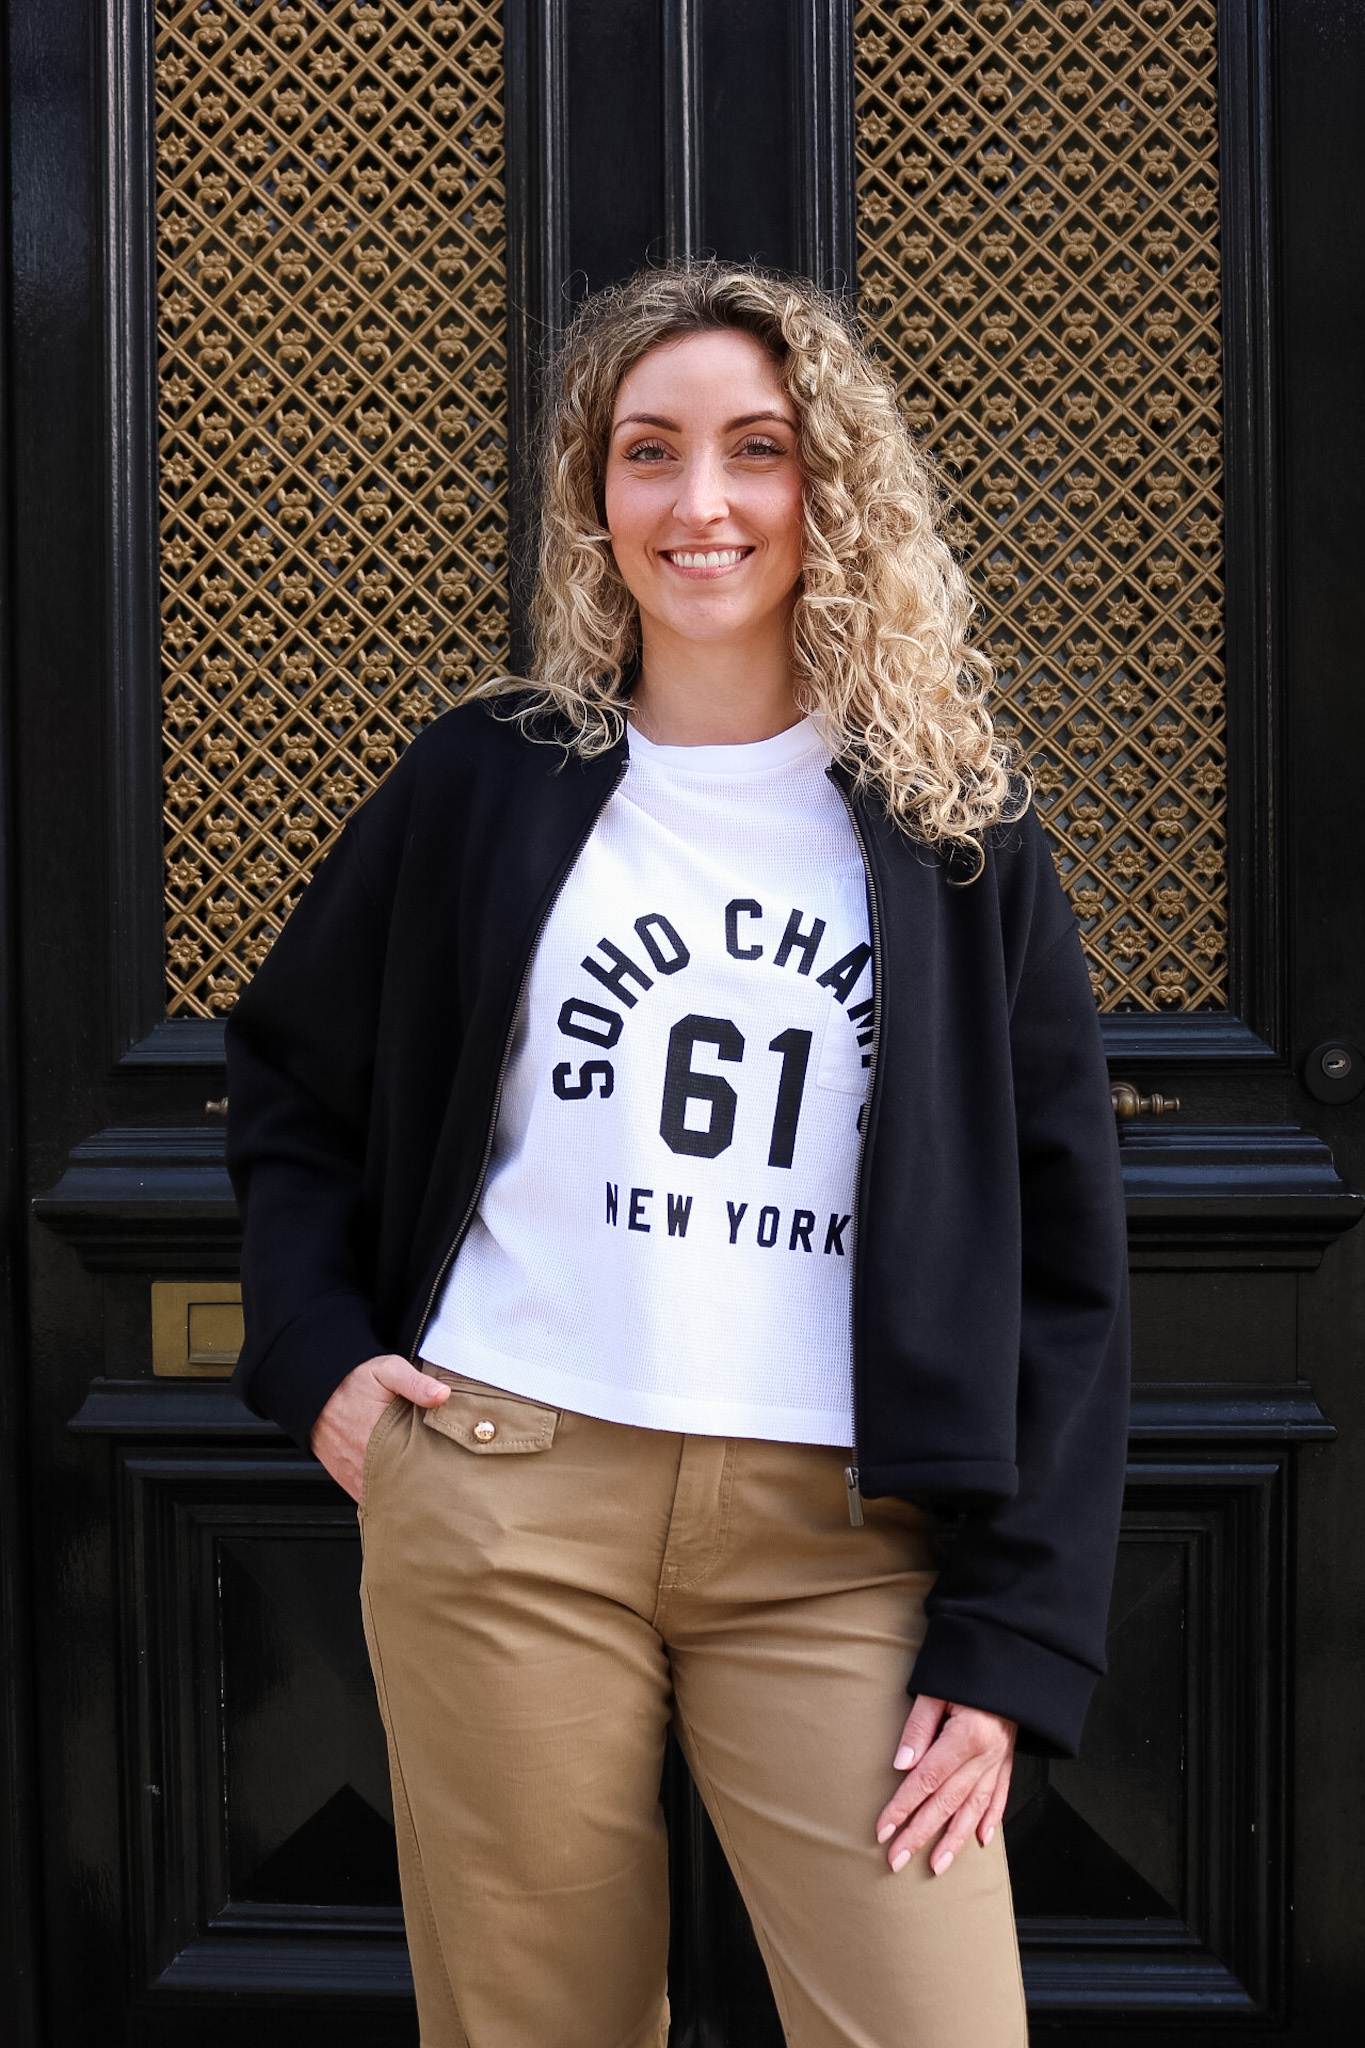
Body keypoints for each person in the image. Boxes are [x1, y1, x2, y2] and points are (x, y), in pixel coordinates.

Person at [227, 262, 1130, 2048]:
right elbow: (291, 1082)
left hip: (845, 1537)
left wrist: (1017, 1634)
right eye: (647, 451)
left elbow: (1061, 1246)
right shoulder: (487, 779)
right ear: (595, 494)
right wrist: (315, 1355)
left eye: (755, 449)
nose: (698, 501)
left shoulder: (950, 827)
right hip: (505, 1494)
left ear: (829, 487)